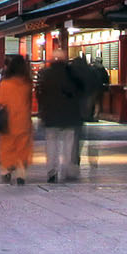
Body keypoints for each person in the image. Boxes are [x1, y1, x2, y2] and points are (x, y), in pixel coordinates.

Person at [34, 42, 87, 184]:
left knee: (51, 143)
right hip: (70, 115)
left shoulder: (45, 74)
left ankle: (52, 170)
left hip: (50, 115)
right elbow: (81, 91)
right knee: (69, 142)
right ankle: (67, 168)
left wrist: (42, 111)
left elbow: (40, 94)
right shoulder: (72, 74)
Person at [0, 55, 35, 186]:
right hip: (24, 120)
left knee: (7, 146)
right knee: (22, 146)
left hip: (8, 120)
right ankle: (21, 173)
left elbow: (0, 101)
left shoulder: (5, 84)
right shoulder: (27, 84)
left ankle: (6, 170)